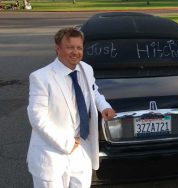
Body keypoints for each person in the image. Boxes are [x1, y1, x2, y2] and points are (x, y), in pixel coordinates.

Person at [27, 27, 116, 188]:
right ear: (58, 49)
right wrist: (66, 143)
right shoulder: (40, 77)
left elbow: (94, 92)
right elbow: (37, 118)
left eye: (79, 47)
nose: (75, 52)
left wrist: (104, 106)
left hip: (82, 149)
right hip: (51, 153)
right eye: (70, 47)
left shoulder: (86, 69)